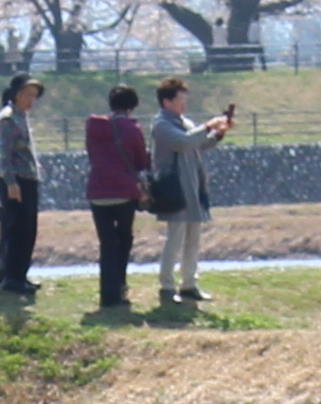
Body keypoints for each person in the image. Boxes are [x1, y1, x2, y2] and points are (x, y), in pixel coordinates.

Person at [146, 77, 237, 315]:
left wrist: (218, 133)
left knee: (194, 239)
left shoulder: (185, 122)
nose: (184, 104)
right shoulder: (161, 125)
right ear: (166, 101)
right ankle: (167, 286)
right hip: (174, 189)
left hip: (193, 187)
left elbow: (200, 144)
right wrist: (209, 125)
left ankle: (189, 284)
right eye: (180, 100)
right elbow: (184, 143)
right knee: (175, 239)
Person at [78, 84, 150, 319]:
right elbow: (141, 161)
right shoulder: (132, 128)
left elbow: (91, 154)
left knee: (106, 243)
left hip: (98, 192)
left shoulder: (94, 127)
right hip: (123, 192)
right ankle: (119, 287)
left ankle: (106, 294)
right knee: (124, 239)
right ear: (132, 106)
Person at [0, 74, 44, 313]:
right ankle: (12, 277)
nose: (31, 100)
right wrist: (10, 182)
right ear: (16, 94)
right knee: (18, 228)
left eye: (34, 96)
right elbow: (3, 155)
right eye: (28, 95)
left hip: (28, 178)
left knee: (28, 229)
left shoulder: (21, 118)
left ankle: (19, 274)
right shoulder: (7, 120)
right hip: (15, 180)